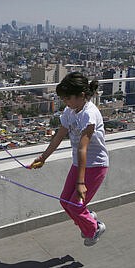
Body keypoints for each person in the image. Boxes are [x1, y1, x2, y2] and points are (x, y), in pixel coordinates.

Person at [29, 72, 109, 247]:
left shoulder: (89, 114)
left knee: (75, 205)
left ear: (81, 96)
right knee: (65, 201)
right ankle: (89, 218)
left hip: (95, 165)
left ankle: (94, 228)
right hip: (79, 164)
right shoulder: (70, 111)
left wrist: (81, 183)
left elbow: (83, 147)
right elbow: (59, 135)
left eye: (67, 98)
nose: (65, 102)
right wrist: (43, 157)